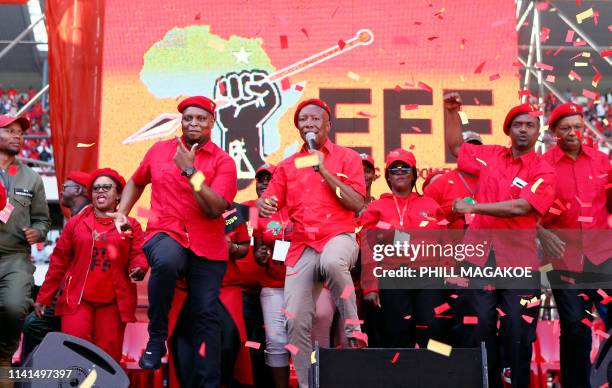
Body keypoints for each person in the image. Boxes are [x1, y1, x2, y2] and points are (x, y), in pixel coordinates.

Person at [112, 96, 236, 387]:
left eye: (201, 118)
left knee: (206, 315)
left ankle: (209, 382)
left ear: (212, 122)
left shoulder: (223, 161)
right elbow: (137, 181)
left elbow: (216, 208)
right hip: (164, 232)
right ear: (181, 121)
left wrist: (191, 172)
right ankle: (157, 337)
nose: (194, 123)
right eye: (188, 118)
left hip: (207, 246)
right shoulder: (158, 151)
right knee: (166, 261)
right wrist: (121, 213)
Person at [444, 94, 556, 388]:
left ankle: (515, 382)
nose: (523, 130)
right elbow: (457, 147)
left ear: (537, 131)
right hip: (479, 255)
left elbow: (521, 207)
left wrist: (474, 207)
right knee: (479, 325)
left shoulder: (544, 171)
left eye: (529, 125)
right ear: (508, 130)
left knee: (517, 327)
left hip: (519, 260)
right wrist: (452, 112)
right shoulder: (490, 155)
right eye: (517, 124)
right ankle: (486, 382)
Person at [256, 98, 366, 388]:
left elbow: (355, 203)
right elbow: (269, 201)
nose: (309, 124)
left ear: (328, 124)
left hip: (338, 236)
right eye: (303, 120)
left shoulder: (347, 158)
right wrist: (265, 205)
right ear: (298, 127)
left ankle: (353, 326)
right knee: (294, 322)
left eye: (315, 119)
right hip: (303, 245)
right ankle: (307, 384)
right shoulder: (287, 166)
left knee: (332, 261)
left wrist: (325, 171)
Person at [35, 168, 148, 362]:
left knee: (107, 358)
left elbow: (138, 254)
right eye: (96, 188)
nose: (100, 191)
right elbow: (59, 262)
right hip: (77, 302)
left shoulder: (132, 225)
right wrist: (44, 296)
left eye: (106, 187)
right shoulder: (75, 223)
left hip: (113, 304)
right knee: (74, 355)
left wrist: (139, 268)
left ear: (119, 194)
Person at [538, 102, 612, 387]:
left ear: (584, 129)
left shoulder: (602, 161)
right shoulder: (542, 165)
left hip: (603, 255)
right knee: (574, 327)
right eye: (565, 128)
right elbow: (529, 210)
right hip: (564, 259)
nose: (572, 132)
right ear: (554, 131)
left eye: (577, 127)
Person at [359, 148, 450, 348]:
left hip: (429, 275)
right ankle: (402, 377)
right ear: (388, 178)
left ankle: (433, 375)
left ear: (414, 174)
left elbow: (446, 244)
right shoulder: (377, 207)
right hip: (393, 275)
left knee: (433, 328)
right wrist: (371, 285)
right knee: (398, 331)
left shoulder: (431, 204)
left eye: (404, 169)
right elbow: (367, 248)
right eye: (393, 170)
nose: (399, 173)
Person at [20, 171, 92, 361]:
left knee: (34, 324)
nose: (61, 190)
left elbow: (61, 264)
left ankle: (35, 372)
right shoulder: (76, 218)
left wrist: (46, 297)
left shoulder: (85, 219)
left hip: (75, 294)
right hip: (68, 291)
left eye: (64, 187)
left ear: (78, 190)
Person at [0, 115, 50, 370]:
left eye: (19, 132)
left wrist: (38, 232)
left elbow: (43, 220)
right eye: (10, 131)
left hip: (15, 257)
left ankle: (4, 356)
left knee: (14, 305)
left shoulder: (32, 177)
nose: (17, 136)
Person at [424, 131, 483, 230]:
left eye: (477, 148)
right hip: (450, 244)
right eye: (466, 147)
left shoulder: (494, 181)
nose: (472, 151)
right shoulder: (439, 184)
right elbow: (424, 219)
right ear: (457, 151)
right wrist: (452, 213)